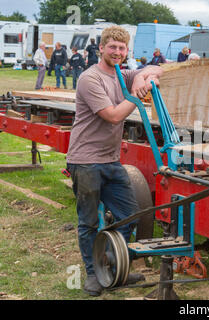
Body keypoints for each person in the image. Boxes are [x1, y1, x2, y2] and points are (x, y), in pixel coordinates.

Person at [65, 25, 163, 297]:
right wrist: (137, 95)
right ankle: (94, 274)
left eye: (122, 48)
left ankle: (113, 264)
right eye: (112, 47)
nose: (117, 52)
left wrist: (145, 76)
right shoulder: (90, 78)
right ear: (102, 49)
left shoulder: (124, 74)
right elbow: (112, 115)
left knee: (130, 215)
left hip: (110, 161)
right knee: (88, 223)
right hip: (85, 161)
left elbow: (157, 69)